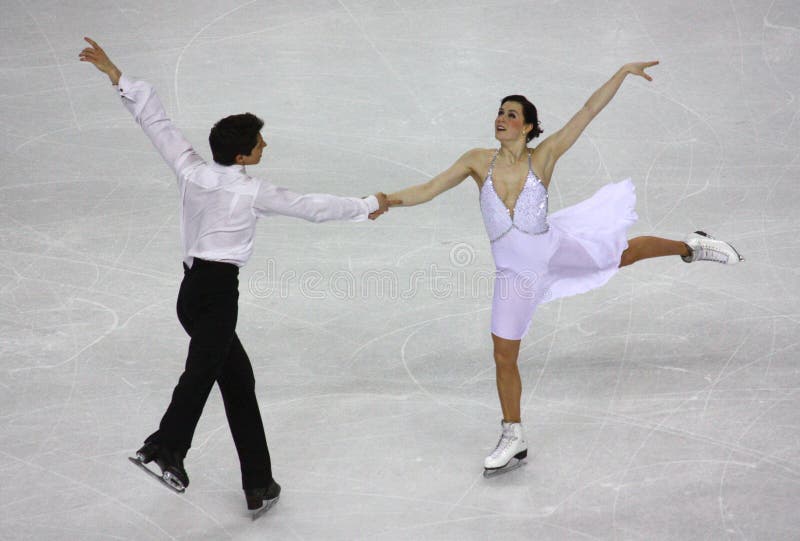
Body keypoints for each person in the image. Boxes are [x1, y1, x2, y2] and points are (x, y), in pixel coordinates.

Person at [79, 37, 393, 516]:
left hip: (190, 293)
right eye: (259, 143)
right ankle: (166, 450)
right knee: (202, 373)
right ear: (243, 156)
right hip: (219, 295)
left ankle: (258, 484)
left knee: (237, 381)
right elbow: (311, 208)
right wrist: (367, 206)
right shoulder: (253, 192)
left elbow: (156, 123)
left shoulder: (190, 170)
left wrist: (118, 76)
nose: (265, 146)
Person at [383, 61, 742, 476]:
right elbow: (428, 188)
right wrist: (385, 200)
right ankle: (513, 435)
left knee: (622, 253)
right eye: (500, 112)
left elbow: (588, 111)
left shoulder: (545, 156)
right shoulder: (477, 162)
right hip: (514, 276)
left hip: (553, 251)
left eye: (511, 115)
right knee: (503, 355)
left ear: (529, 127)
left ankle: (691, 246)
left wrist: (622, 72)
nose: (501, 119)